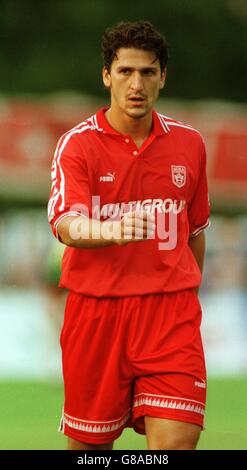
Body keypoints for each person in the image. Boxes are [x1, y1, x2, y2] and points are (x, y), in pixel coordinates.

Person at [48, 20, 210, 450]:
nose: (136, 84)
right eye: (125, 72)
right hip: (97, 314)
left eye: (147, 72)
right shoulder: (77, 145)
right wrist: (111, 230)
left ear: (162, 77)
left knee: (175, 445)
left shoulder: (190, 144)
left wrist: (185, 291)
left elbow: (196, 232)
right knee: (91, 452)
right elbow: (65, 223)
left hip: (169, 316)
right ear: (106, 76)